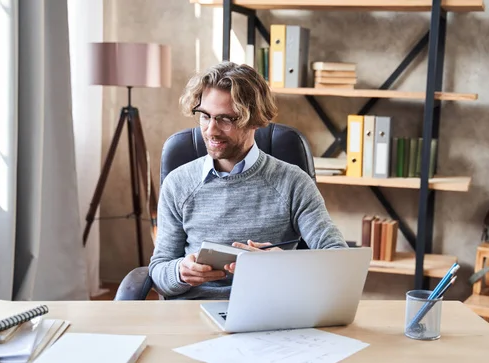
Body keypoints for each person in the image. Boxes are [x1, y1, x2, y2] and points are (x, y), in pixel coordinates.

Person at [148, 61, 347, 300]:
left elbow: (339, 261)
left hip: (268, 310)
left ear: (255, 120)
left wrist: (284, 265)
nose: (211, 130)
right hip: (195, 312)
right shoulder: (178, 183)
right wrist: (180, 273)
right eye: (204, 116)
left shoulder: (293, 182)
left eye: (226, 119)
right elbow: (159, 271)